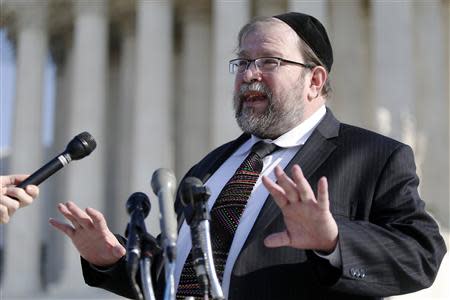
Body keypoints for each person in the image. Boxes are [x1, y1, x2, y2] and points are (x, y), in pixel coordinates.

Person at [50, 12, 446, 300]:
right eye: (242, 62)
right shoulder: (210, 168)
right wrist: (115, 260)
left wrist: (333, 241)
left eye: (269, 61)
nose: (249, 74)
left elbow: (421, 255)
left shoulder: (371, 156)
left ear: (315, 80)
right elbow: (186, 272)